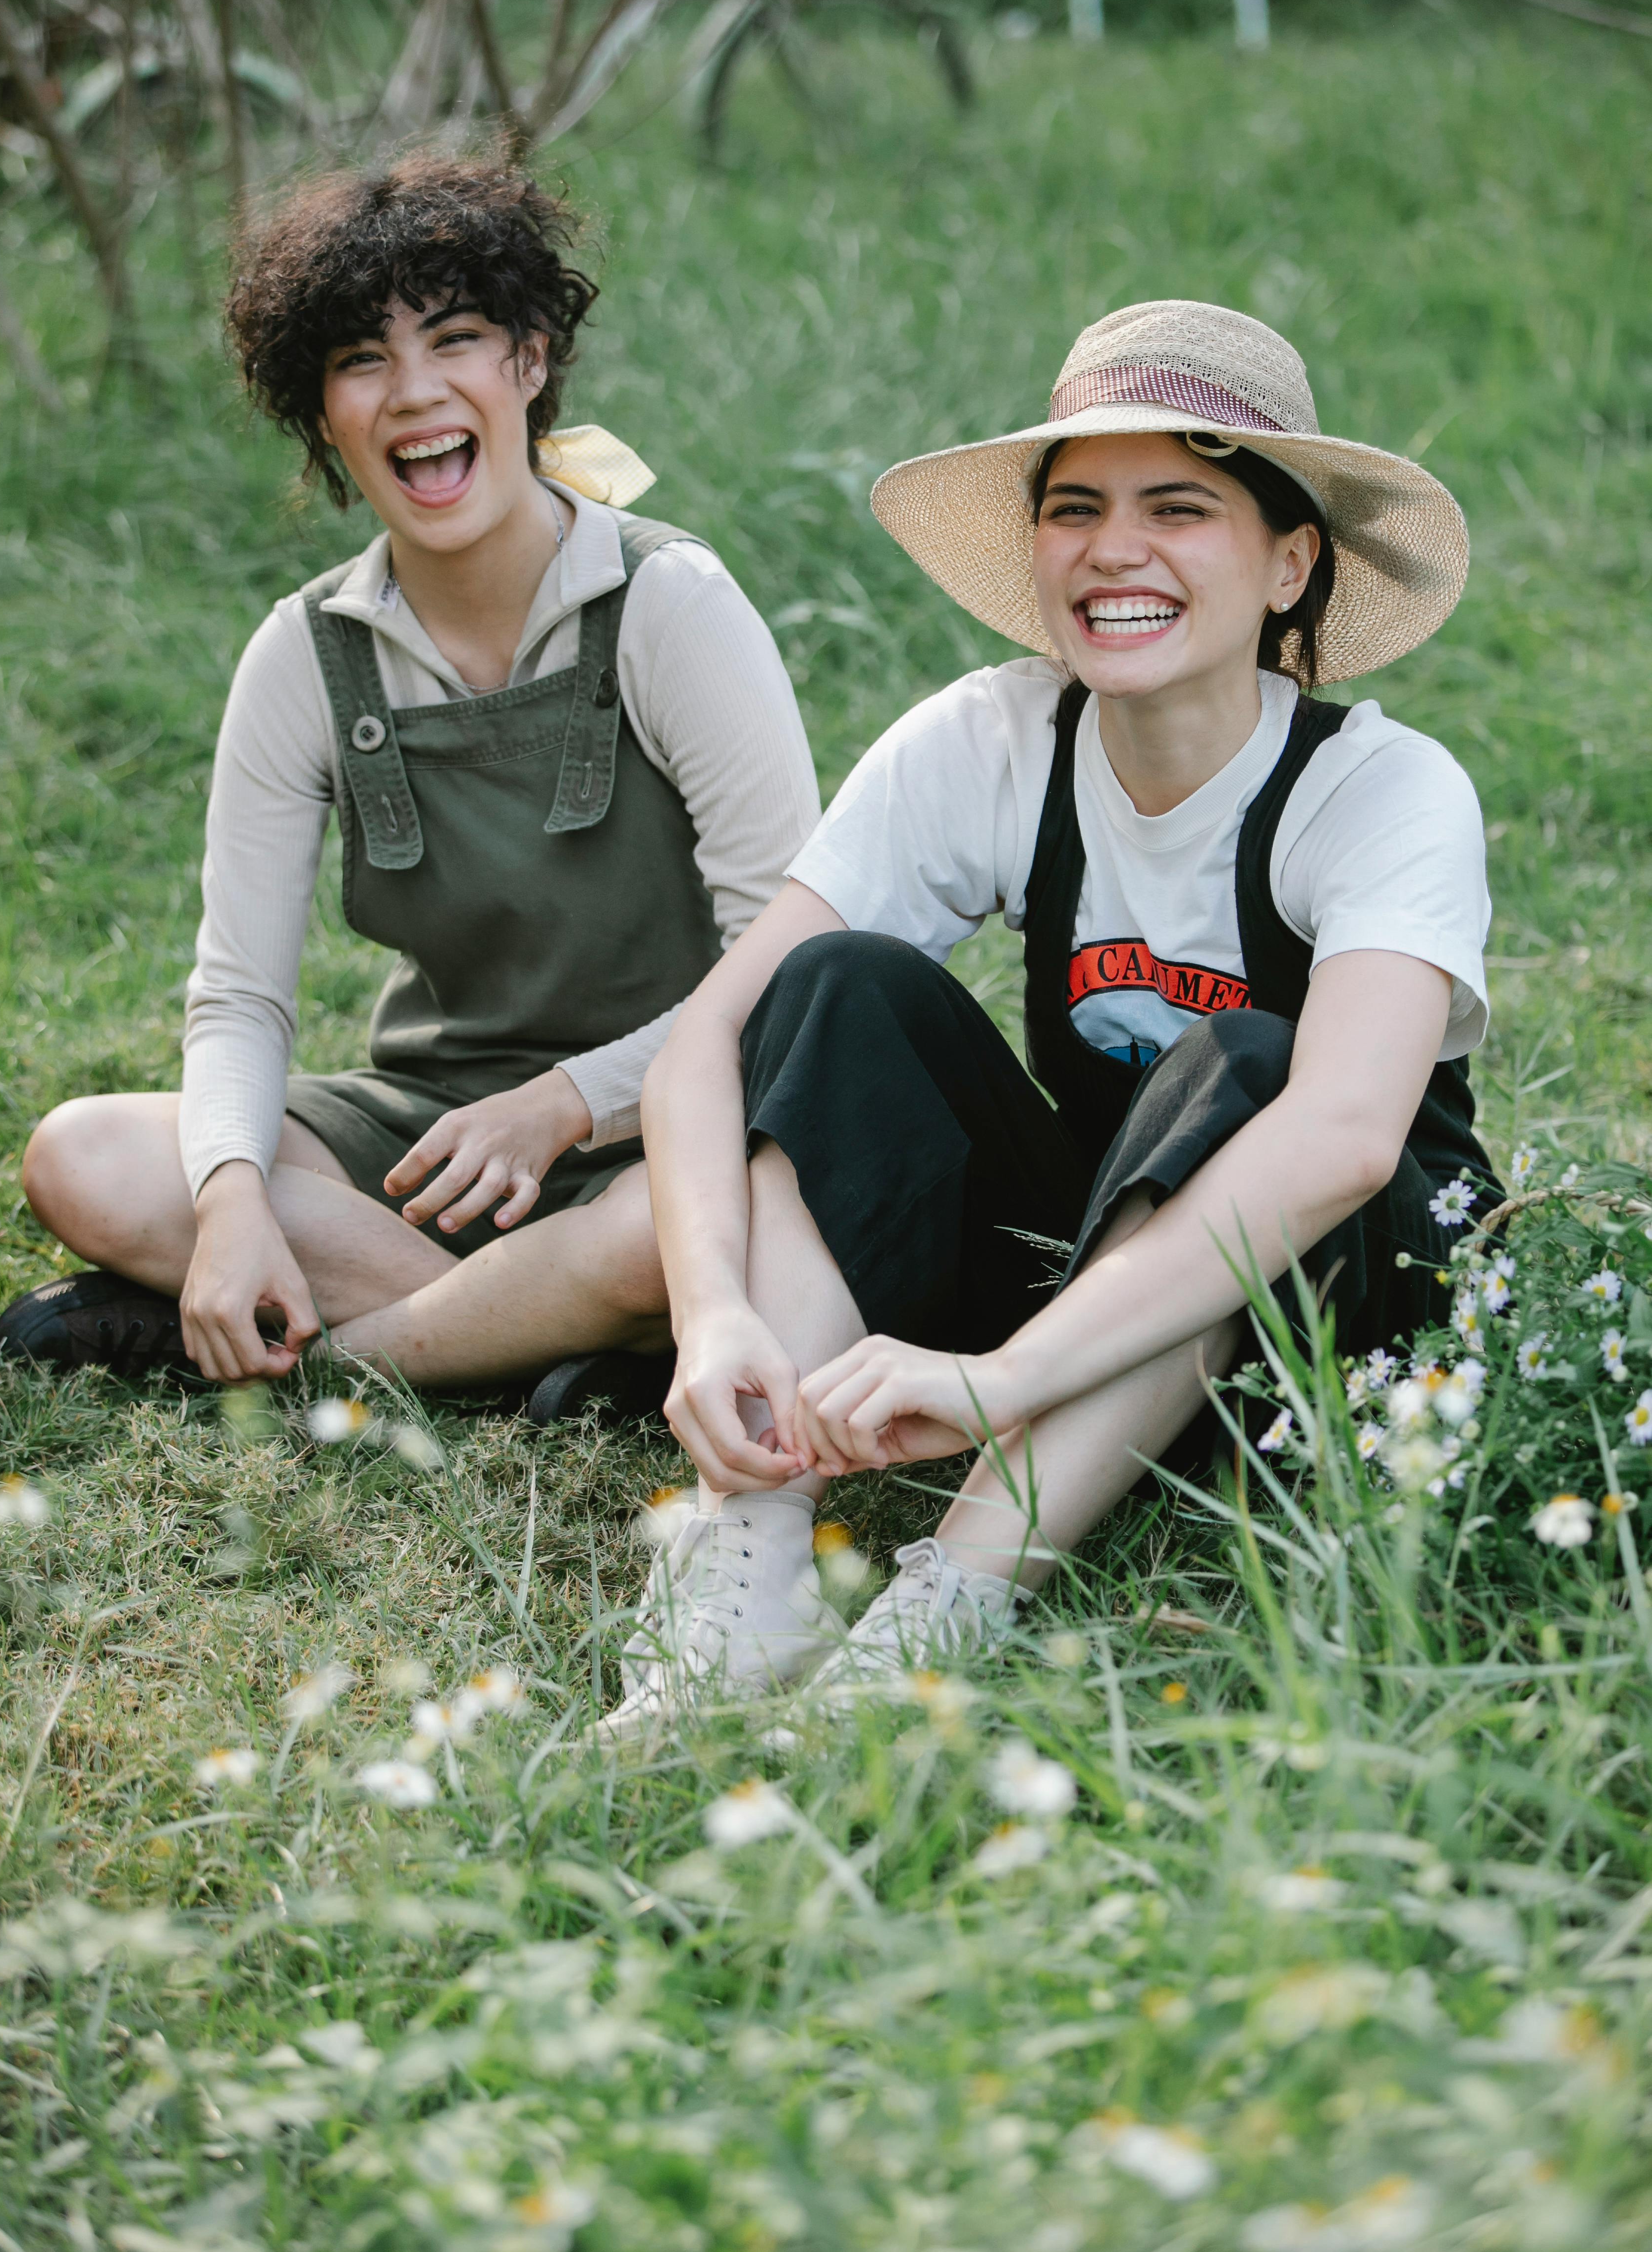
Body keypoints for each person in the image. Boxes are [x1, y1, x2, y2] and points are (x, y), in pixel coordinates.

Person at [609, 298, 1496, 1733]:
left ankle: (941, 1606)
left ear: (1290, 562)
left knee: (1255, 1065)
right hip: (1102, 1294)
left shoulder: (1382, 791)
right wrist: (710, 1320)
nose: (1114, 549)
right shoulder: (995, 740)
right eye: (1074, 507)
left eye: (1179, 507)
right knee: (836, 988)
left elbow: (1341, 1140)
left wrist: (1000, 1379)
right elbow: (710, 1039)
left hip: (1339, 1327)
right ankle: (751, 1565)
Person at [0, 156, 819, 1413]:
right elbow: (240, 1000)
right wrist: (225, 1203)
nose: (415, 394)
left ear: (531, 364)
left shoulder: (668, 605)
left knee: (683, 1231)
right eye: (362, 361)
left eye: (458, 340)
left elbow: (788, 971)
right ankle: (538, 1349)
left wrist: (565, 1105)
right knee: (90, 1157)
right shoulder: (305, 652)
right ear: (321, 412)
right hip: (423, 1135)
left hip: (665, 1118)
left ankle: (347, 1358)